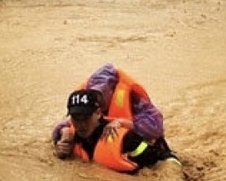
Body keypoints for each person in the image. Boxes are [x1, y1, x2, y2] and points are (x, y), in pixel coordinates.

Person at [51, 90, 180, 173]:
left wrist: (171, 178)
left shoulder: (125, 139)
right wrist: (60, 151)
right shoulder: (68, 137)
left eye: (85, 118)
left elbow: (167, 159)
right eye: (76, 118)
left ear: (98, 113)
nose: (81, 124)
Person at [81, 63, 167, 146]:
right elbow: (74, 120)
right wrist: (67, 130)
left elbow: (156, 128)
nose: (97, 100)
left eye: (101, 94)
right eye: (93, 95)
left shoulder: (134, 100)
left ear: (112, 90)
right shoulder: (90, 105)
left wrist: (121, 122)